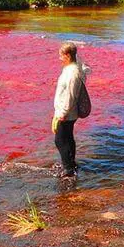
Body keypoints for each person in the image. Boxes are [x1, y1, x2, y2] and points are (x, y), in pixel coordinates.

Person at [52, 42, 91, 178]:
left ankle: (68, 169)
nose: (59, 58)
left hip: (67, 113)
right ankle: (71, 164)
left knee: (60, 140)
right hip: (67, 112)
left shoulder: (72, 73)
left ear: (68, 55)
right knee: (68, 138)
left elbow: (70, 96)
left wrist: (61, 114)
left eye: (61, 55)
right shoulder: (73, 68)